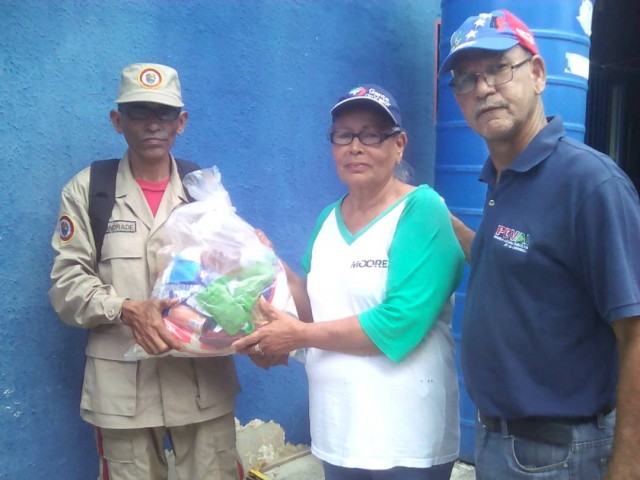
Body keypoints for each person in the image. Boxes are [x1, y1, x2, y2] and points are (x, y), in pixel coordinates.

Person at [440, 9, 640, 479]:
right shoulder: (501, 178)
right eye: (466, 79)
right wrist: (435, 218)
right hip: (496, 442)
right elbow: (520, 261)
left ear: (538, 74)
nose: (482, 88)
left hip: (560, 454)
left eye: (498, 68)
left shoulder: (590, 185)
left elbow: (635, 334)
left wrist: (628, 465)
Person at [234, 84, 465, 480]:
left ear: (399, 145)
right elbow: (313, 307)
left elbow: (399, 324)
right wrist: (268, 263)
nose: (355, 147)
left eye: (371, 134)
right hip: (338, 430)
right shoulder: (328, 217)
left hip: (405, 440)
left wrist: (296, 336)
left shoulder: (422, 210)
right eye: (344, 135)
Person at [48, 63, 240, 480]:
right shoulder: (89, 189)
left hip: (201, 384)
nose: (153, 123)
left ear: (181, 122)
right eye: (139, 112)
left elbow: (233, 277)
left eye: (164, 113)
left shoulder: (203, 189)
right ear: (117, 121)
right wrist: (125, 308)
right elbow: (66, 285)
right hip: (123, 391)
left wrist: (246, 256)